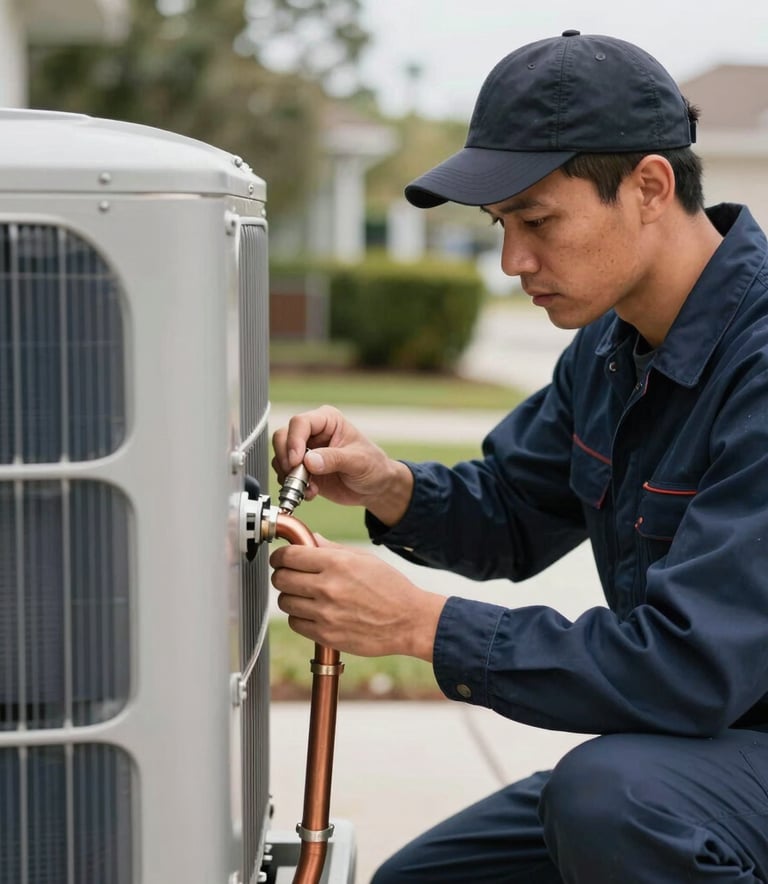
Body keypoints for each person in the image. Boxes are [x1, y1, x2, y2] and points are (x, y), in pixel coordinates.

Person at [270, 30, 768, 883]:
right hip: (706, 752)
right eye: (502, 225)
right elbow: (512, 512)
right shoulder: (614, 348)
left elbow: (690, 666)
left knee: (611, 799)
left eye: (538, 220)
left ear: (650, 186)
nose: (513, 262)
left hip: (715, 744)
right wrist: (387, 487)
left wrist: (417, 624)